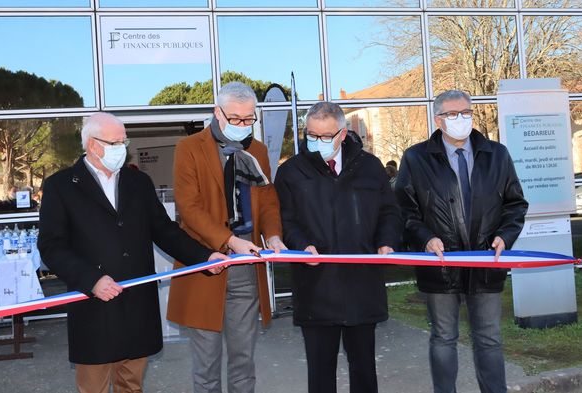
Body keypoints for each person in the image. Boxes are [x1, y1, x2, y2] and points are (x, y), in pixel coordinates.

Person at [38, 112, 227, 393]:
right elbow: (51, 247)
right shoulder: (61, 186)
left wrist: (204, 257)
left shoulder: (139, 183)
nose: (122, 148)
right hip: (94, 306)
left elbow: (165, 231)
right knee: (93, 387)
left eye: (123, 141)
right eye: (114, 142)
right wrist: (91, 280)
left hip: (136, 303)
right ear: (92, 144)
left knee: (132, 384)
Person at [394, 90, 528, 393]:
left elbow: (515, 204)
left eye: (466, 112)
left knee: (490, 337)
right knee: (443, 337)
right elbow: (404, 210)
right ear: (438, 119)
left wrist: (504, 237)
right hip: (440, 264)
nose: (461, 119)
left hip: (486, 262)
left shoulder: (497, 154)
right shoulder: (416, 158)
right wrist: (425, 238)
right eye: (453, 114)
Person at [274, 101, 402, 393]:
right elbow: (286, 220)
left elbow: (389, 212)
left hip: (362, 285)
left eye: (326, 136)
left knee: (364, 369)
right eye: (312, 135)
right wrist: (300, 245)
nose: (317, 142)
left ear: (343, 134)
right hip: (316, 287)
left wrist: (386, 242)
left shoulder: (369, 167)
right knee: (320, 373)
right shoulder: (292, 172)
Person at [167, 82, 285, 393]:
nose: (244, 126)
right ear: (217, 113)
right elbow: (188, 208)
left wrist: (272, 236)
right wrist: (230, 241)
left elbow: (268, 198)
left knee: (243, 364)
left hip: (247, 268)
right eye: (236, 119)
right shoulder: (189, 148)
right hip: (205, 266)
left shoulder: (257, 150)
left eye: (249, 119)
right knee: (206, 368)